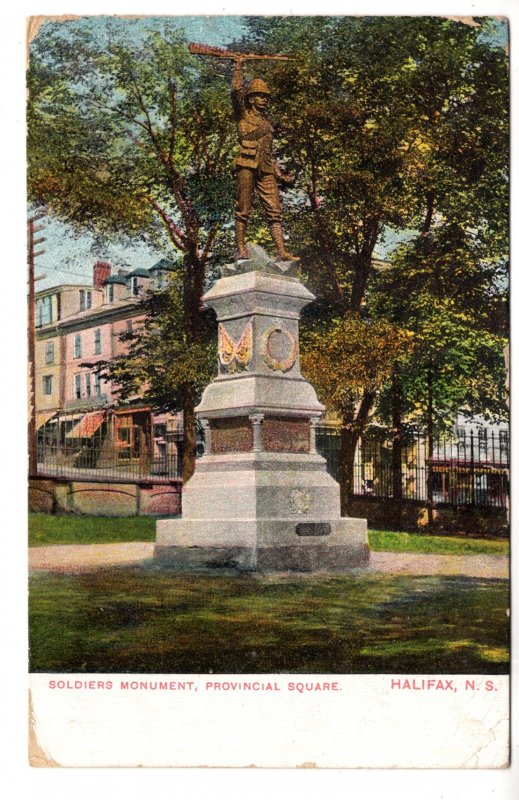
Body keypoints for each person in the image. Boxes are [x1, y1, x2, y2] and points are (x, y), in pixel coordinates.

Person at [231, 57, 298, 262]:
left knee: (274, 210)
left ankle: (281, 251)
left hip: (266, 168)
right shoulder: (242, 116)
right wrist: (239, 66)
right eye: (260, 96)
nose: (265, 100)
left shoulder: (267, 125)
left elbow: (270, 152)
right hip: (246, 165)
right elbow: (235, 92)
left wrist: (280, 174)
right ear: (251, 99)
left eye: (266, 96)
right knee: (243, 208)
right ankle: (241, 248)